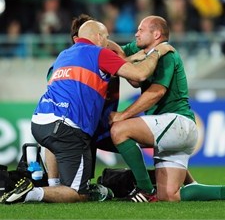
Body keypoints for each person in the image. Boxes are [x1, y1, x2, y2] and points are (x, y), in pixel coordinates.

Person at [0, 19, 173, 204]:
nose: (108, 42)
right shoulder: (100, 53)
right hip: (68, 128)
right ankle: (31, 193)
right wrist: (158, 51)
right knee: (78, 194)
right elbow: (140, 75)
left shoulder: (63, 55)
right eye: (106, 38)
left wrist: (125, 58)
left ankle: (53, 184)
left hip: (40, 122)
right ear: (98, 37)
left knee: (55, 144)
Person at [109, 15, 225, 202]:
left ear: (156, 34)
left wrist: (123, 115)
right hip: (175, 129)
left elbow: (156, 93)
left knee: (119, 130)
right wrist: (103, 41)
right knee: (169, 196)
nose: (136, 33)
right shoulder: (140, 49)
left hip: (177, 122)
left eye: (141, 30)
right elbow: (111, 53)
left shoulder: (166, 55)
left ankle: (145, 189)